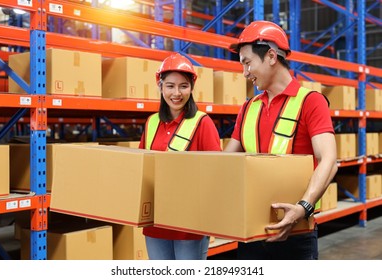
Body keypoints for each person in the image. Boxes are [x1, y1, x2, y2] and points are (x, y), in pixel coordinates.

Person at [225, 20, 338, 260]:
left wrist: (302, 208)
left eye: (247, 63)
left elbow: (329, 159)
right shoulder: (248, 107)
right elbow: (225, 161)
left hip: (296, 235)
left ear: (271, 56)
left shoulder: (310, 102)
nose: (244, 73)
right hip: (251, 235)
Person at [139, 52, 221, 260]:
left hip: (190, 225)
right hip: (156, 223)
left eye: (183, 86)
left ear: (192, 88)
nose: (177, 93)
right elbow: (140, 168)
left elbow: (217, 173)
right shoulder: (151, 123)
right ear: (160, 87)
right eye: (170, 86)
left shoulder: (203, 123)